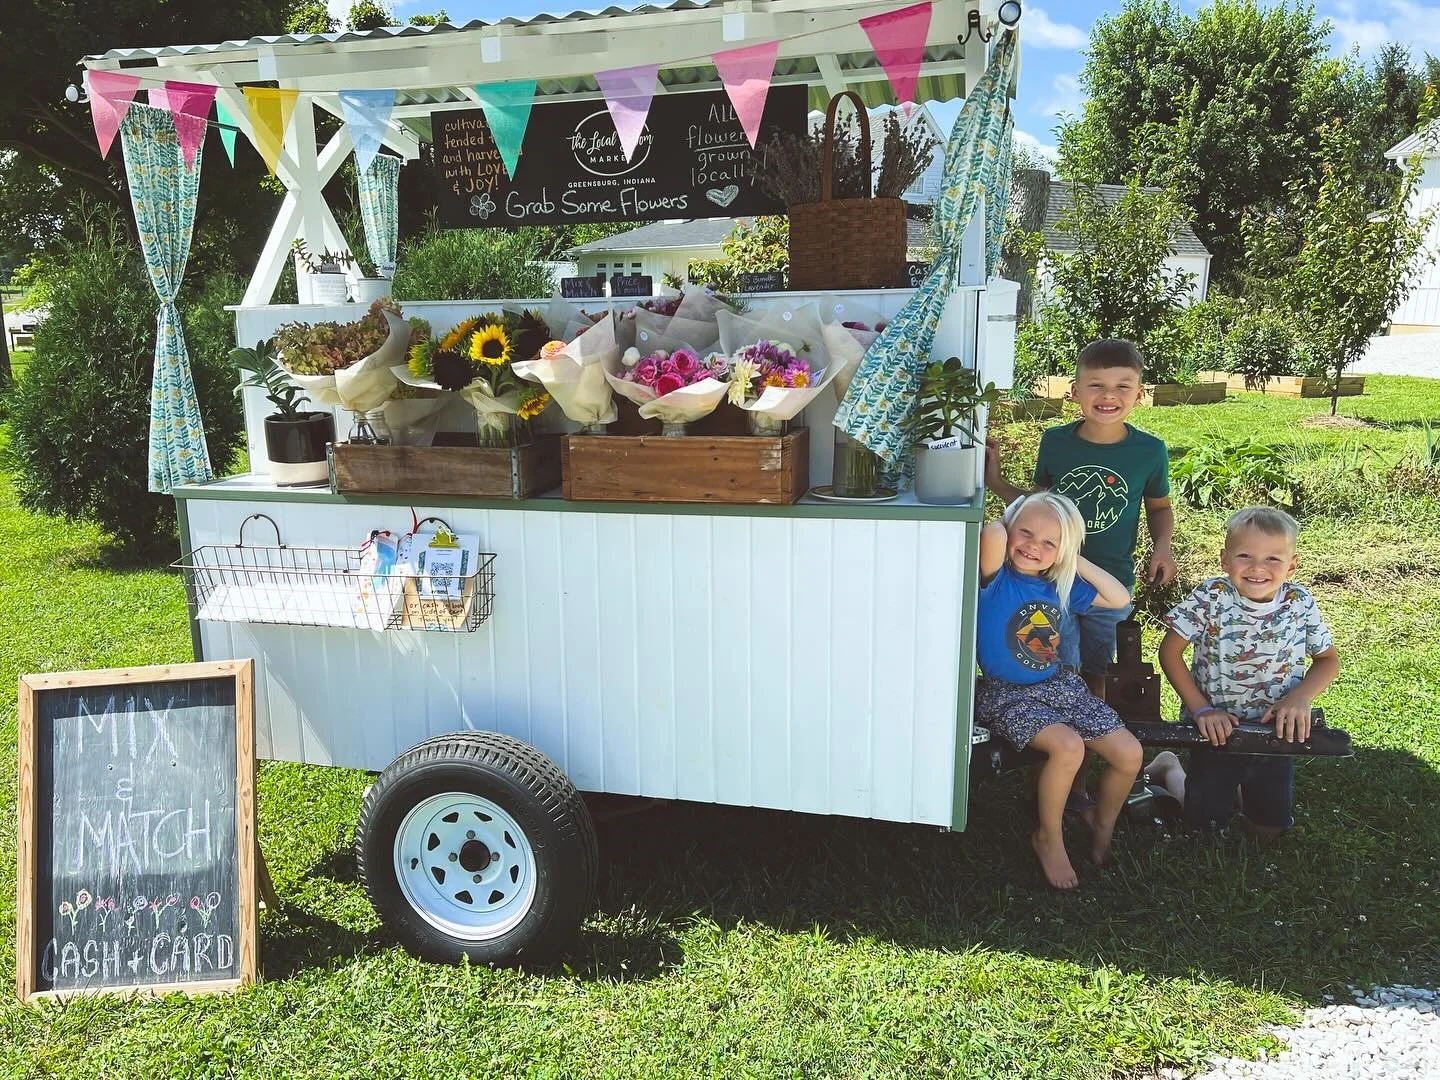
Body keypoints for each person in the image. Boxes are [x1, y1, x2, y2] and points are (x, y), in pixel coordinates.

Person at [986, 338, 1176, 809]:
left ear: (1139, 393)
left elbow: (1160, 507)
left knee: (1096, 674)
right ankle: (1062, 777)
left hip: (1109, 583)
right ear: (1075, 390)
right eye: (1096, 385)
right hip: (1056, 587)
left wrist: (1164, 547)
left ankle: (1087, 769)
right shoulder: (1056, 442)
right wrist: (994, 482)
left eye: (1122, 386)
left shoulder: (1149, 451)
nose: (1108, 395)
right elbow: (1039, 506)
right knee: (1060, 668)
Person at [976, 491, 1143, 889]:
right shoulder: (994, 577)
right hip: (1006, 692)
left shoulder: (1058, 585)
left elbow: (1120, 597)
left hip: (1058, 684)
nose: (1034, 546)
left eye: (1050, 542)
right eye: (1026, 533)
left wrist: (1071, 556)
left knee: (1129, 753)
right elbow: (993, 534)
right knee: (1068, 746)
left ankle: (1100, 821)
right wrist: (1011, 516)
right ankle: (1047, 836)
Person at [1145, 506, 1340, 834]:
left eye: (1273, 559)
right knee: (1203, 828)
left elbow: (1328, 660)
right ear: (1225, 559)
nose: (1257, 568)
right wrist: (1202, 710)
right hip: (1216, 731)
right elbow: (1169, 653)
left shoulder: (1299, 602)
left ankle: (1237, 788)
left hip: (1276, 732)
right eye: (1245, 556)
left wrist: (1300, 698)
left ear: (1292, 565)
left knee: (1270, 831)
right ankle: (1170, 768)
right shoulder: (1212, 596)